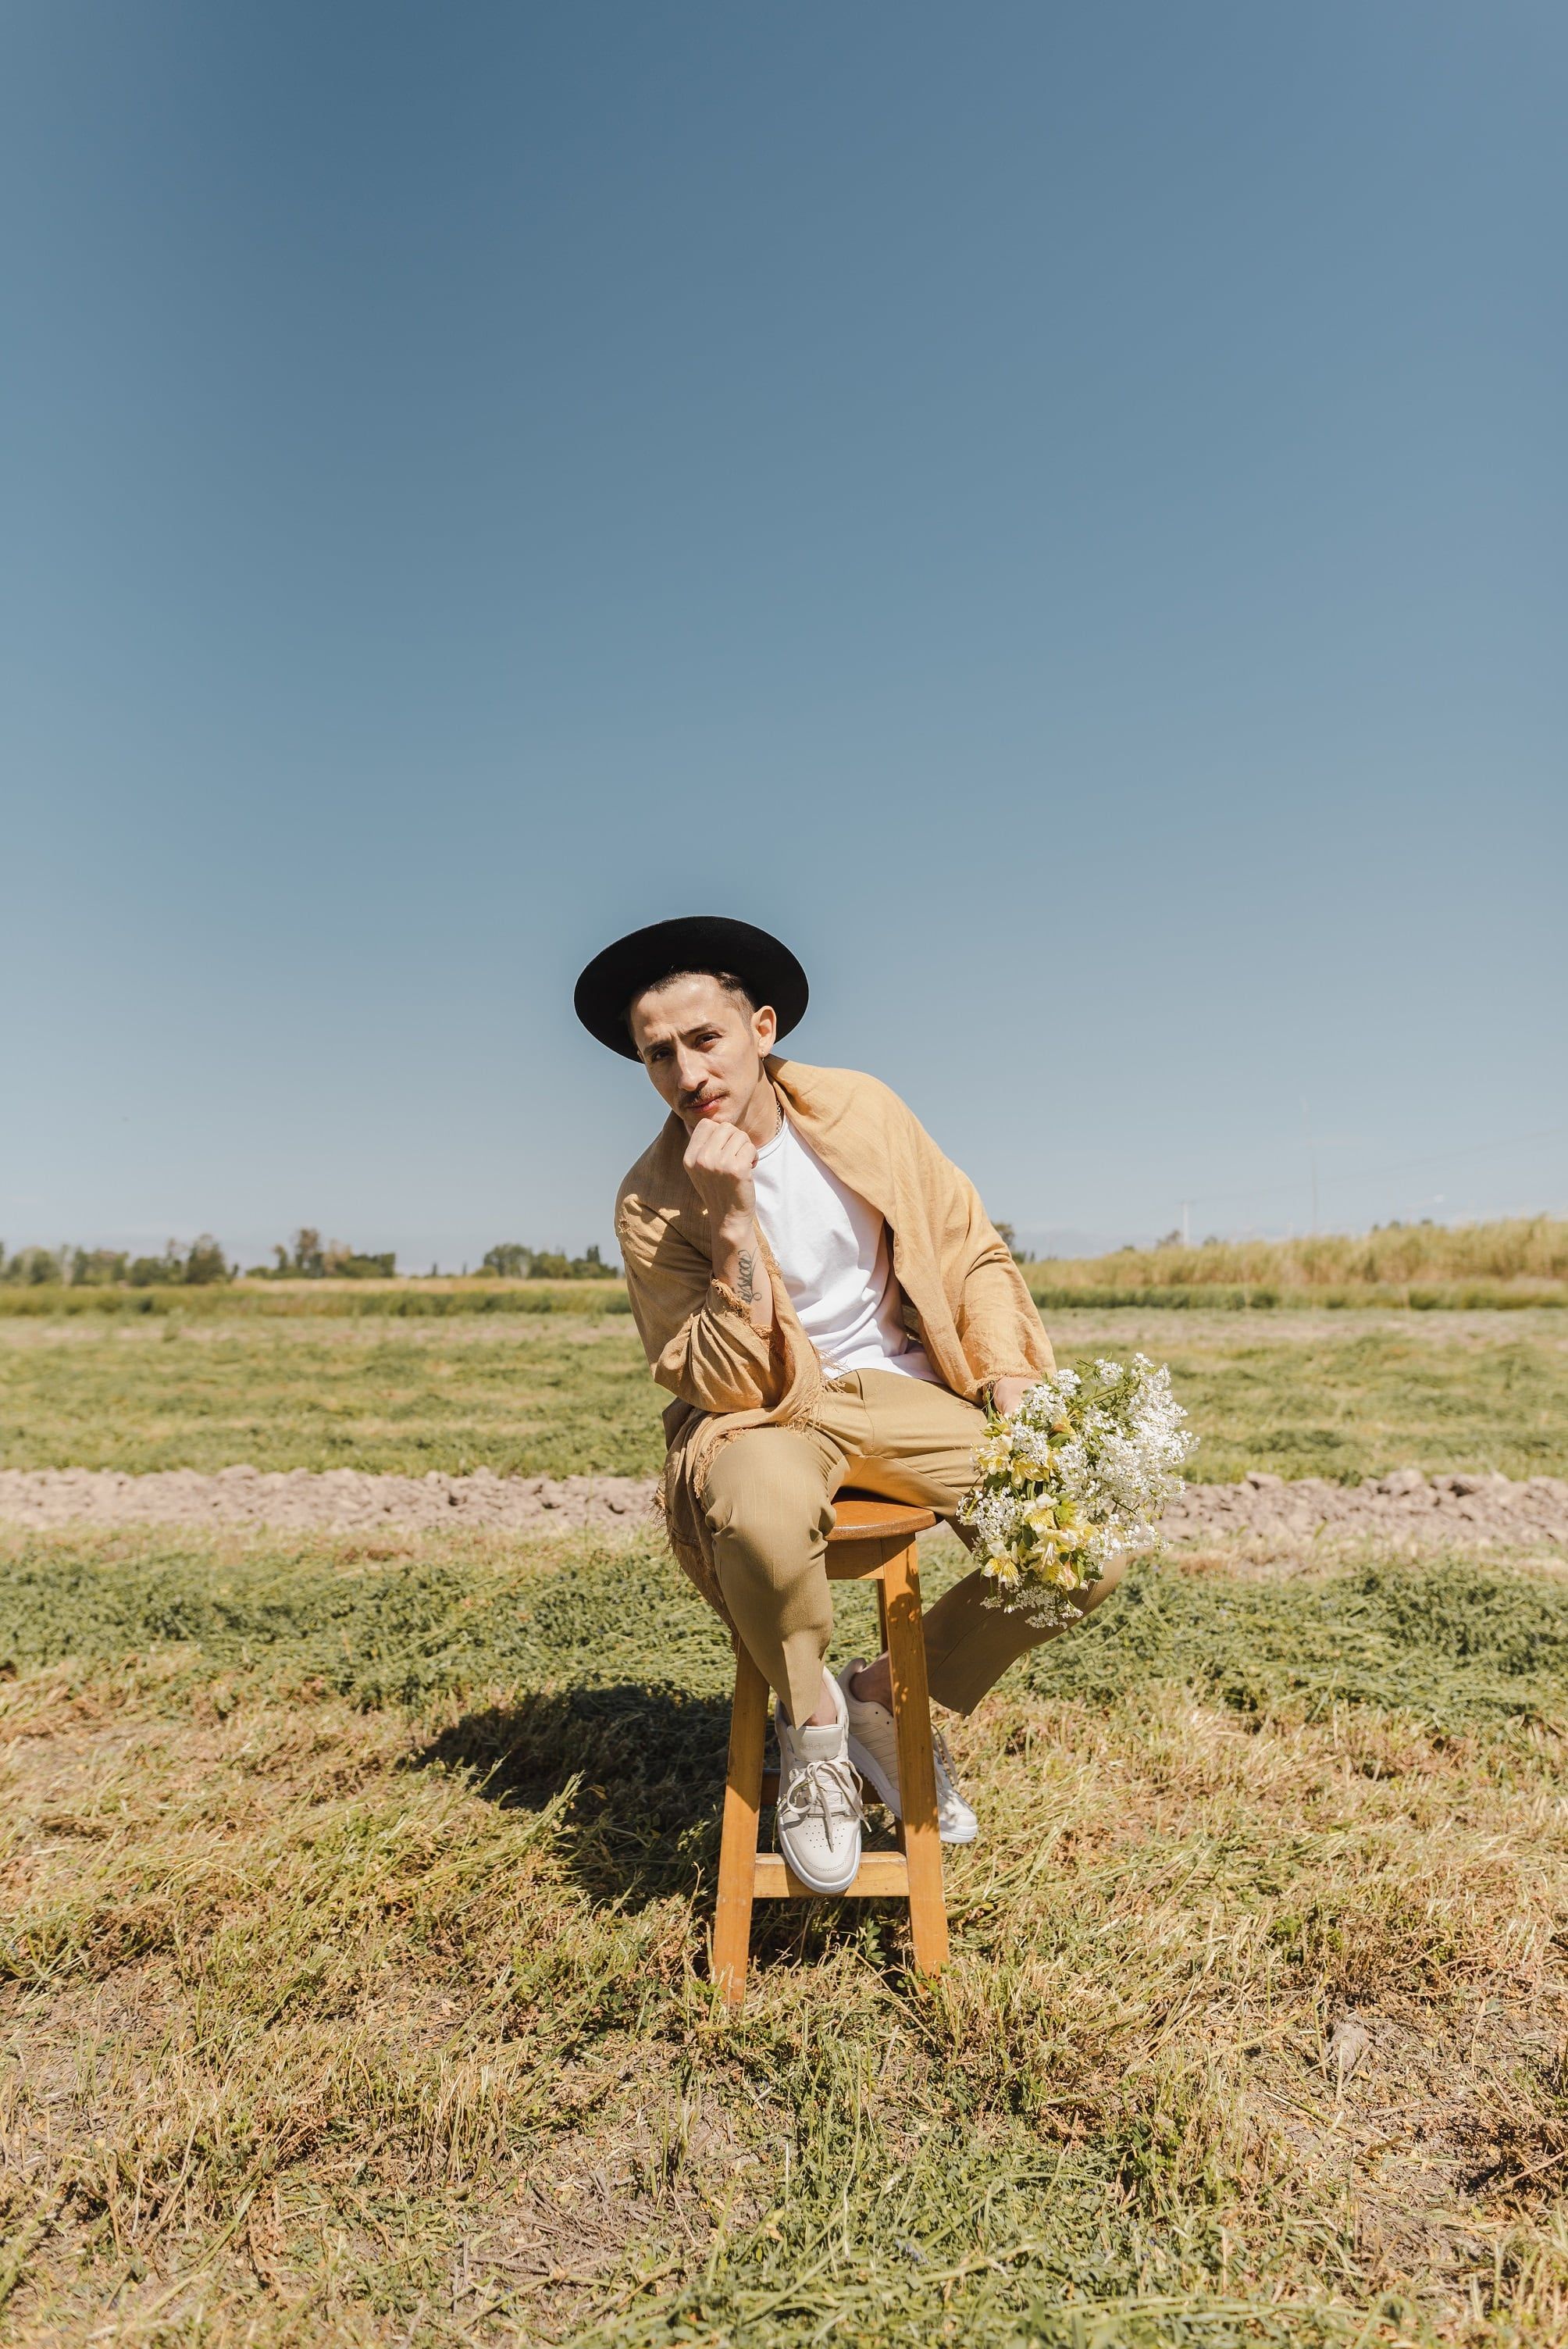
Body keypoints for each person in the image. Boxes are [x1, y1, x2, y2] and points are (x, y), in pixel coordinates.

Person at [574, 915, 1125, 1895]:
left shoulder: (862, 1110)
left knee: (1082, 1552)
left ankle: (878, 1698)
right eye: (657, 1054)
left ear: (763, 1028)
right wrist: (732, 1222)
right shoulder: (652, 1201)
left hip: (905, 1390)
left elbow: (970, 1248)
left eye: (704, 1038)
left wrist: (1008, 1374)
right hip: (769, 1413)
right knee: (759, 1511)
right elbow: (721, 1381)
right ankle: (816, 1735)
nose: (686, 1069)